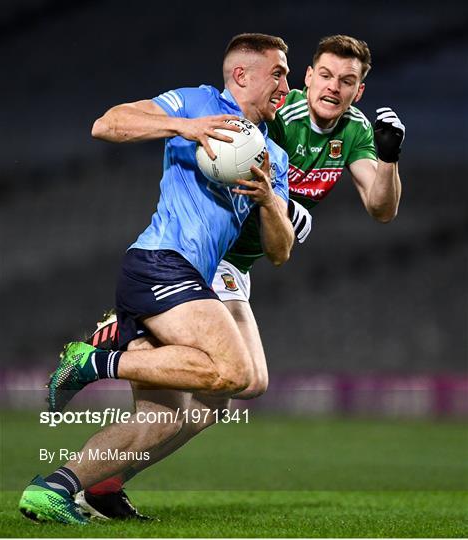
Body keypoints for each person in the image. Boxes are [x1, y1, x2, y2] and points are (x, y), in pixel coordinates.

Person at [72, 34, 406, 521]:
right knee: (247, 379)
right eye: (325, 76)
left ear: (360, 90)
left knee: (210, 407)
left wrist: (390, 158)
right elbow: (220, 125)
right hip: (216, 255)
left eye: (348, 81)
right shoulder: (276, 108)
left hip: (243, 263)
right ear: (309, 77)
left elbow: (380, 208)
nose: (333, 88)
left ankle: (104, 479)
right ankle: (117, 349)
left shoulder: (353, 131)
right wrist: (187, 128)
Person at [18, 33, 294, 525]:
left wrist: (268, 199)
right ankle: (95, 361)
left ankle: (57, 487)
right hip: (160, 262)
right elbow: (107, 124)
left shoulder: (273, 153)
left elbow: (280, 251)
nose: (286, 84)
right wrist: (183, 128)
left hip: (187, 278)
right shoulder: (197, 102)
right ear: (241, 75)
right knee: (235, 373)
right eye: (278, 72)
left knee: (183, 414)